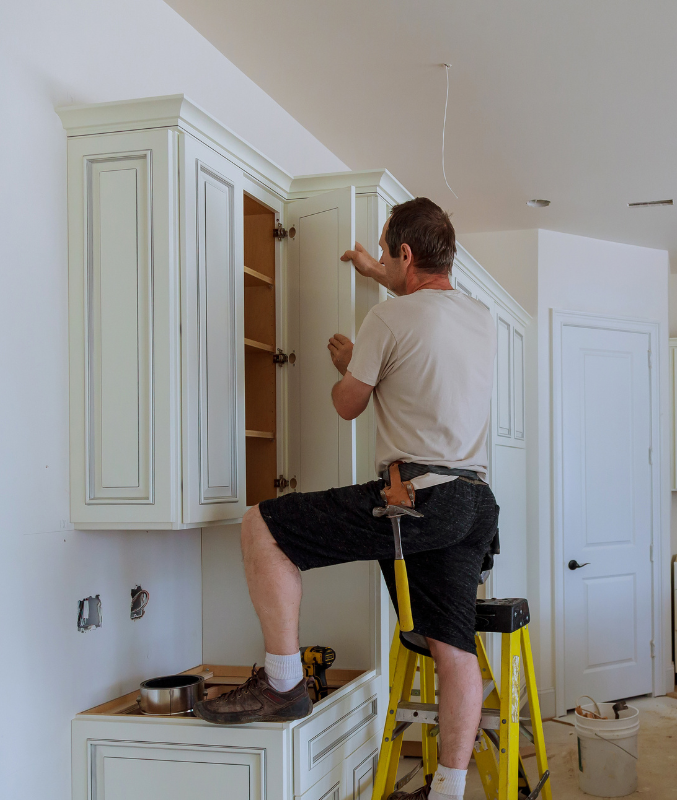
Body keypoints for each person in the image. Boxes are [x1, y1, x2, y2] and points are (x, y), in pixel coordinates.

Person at [195, 197, 498, 800]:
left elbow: (346, 404)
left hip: (416, 496)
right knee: (453, 647)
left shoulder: (387, 321)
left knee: (263, 526)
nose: (382, 260)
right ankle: (449, 792)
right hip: (473, 502)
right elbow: (422, 345)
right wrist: (372, 269)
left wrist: (350, 365)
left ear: (405, 253)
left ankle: (283, 682)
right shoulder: (479, 317)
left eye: (387, 251)